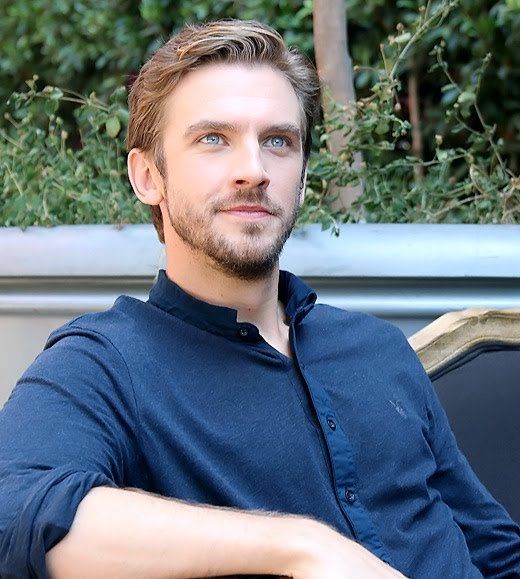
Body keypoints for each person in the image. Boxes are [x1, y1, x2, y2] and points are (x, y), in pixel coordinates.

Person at [0, 19, 519, 579]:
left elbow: (494, 551)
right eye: (213, 139)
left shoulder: (376, 349)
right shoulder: (103, 363)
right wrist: (298, 546)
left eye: (277, 141)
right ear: (148, 175)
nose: (253, 171)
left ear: (300, 178)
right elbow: (15, 513)